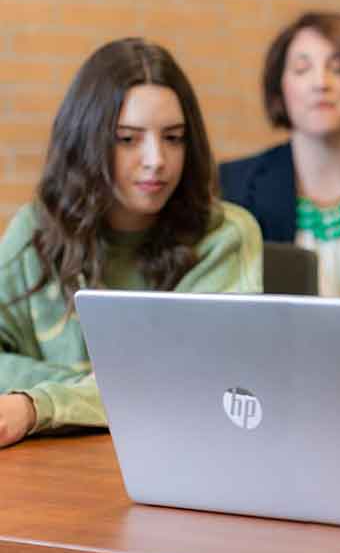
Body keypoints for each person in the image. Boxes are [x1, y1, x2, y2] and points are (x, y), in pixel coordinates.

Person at [0, 38, 262, 449]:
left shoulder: (225, 234)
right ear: (84, 139)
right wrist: (90, 391)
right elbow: (142, 389)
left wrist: (38, 405)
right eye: (127, 139)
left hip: (176, 459)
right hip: (52, 464)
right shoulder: (36, 227)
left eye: (173, 138)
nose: (156, 159)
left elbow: (186, 385)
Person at [219, 11, 340, 297]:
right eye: (302, 69)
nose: (321, 83)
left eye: (338, 68)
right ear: (280, 87)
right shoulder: (234, 185)